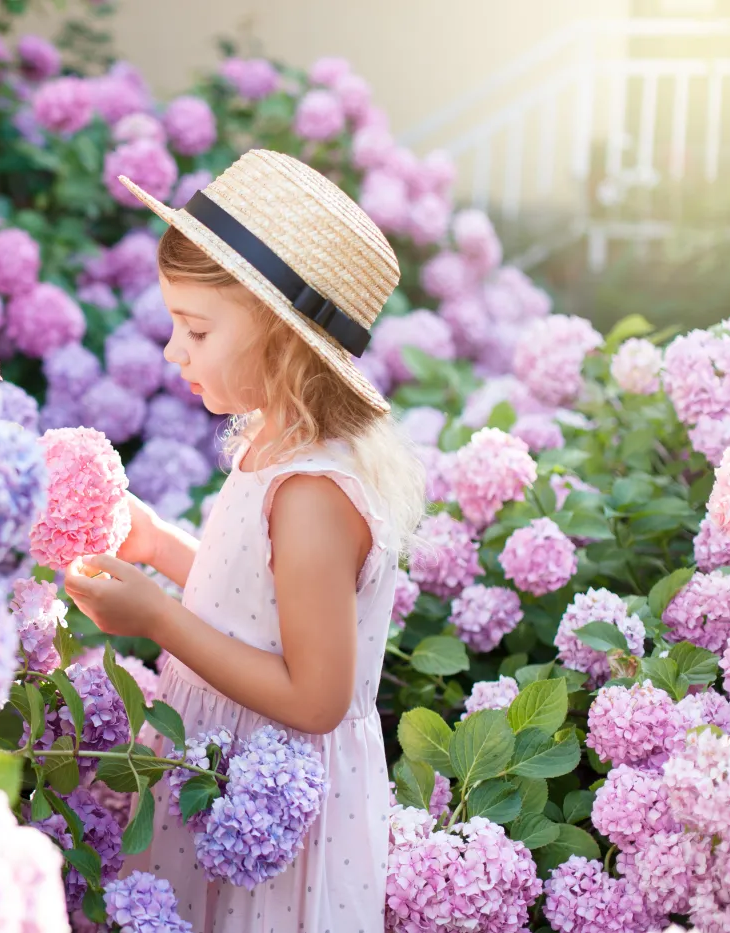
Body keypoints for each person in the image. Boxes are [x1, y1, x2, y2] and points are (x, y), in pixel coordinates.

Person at [63, 149, 426, 933]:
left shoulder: (313, 495)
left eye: (195, 327)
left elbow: (315, 696)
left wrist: (159, 618)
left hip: (274, 808)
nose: (172, 349)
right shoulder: (274, 444)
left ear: (286, 342)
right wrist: (163, 548)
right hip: (223, 763)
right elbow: (259, 608)